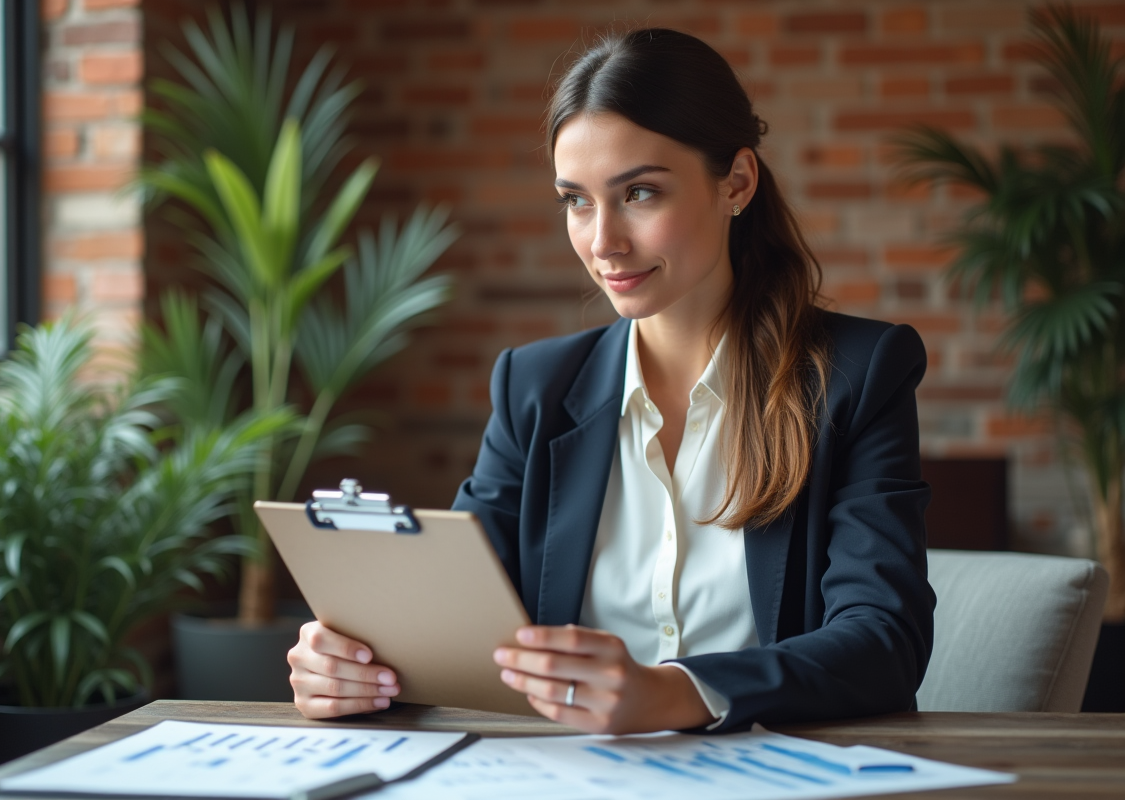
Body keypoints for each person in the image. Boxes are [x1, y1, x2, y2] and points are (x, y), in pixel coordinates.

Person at [288, 27, 935, 734]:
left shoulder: (854, 375)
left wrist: (676, 692)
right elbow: (455, 620)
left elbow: (884, 641)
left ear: (737, 183)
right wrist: (353, 664)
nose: (603, 243)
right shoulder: (535, 388)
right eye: (577, 200)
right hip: (569, 771)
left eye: (640, 193)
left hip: (779, 767)